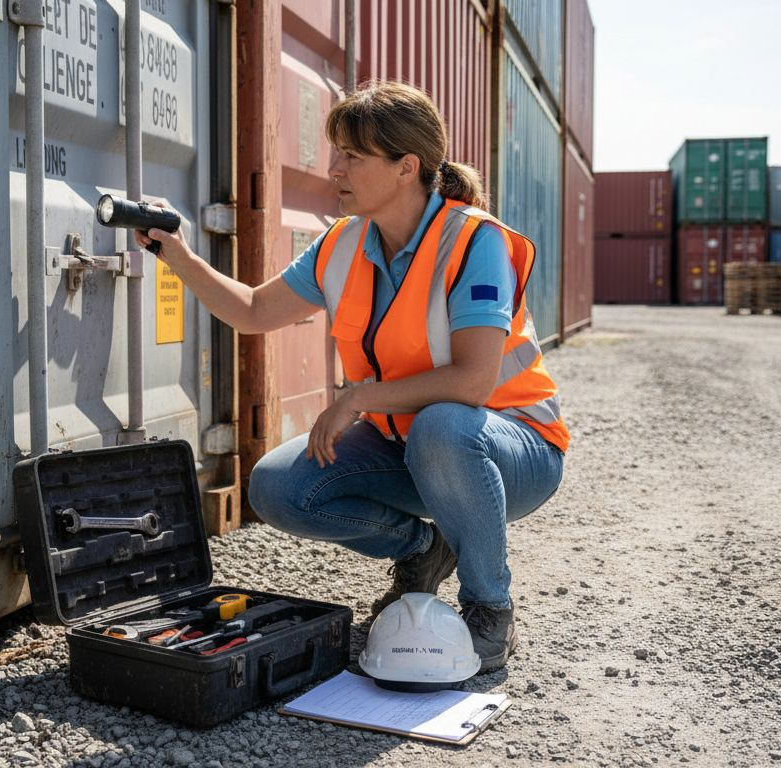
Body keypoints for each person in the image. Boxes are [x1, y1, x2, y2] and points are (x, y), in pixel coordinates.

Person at [136, 81, 567, 674]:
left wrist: (358, 397)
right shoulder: (340, 243)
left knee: (443, 425)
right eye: (335, 152)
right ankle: (423, 550)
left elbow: (471, 384)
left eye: (352, 156)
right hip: (410, 446)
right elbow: (254, 312)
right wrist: (176, 253)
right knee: (278, 487)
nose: (333, 168)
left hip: (513, 449)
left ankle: (489, 607)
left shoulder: (474, 242)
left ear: (405, 168)